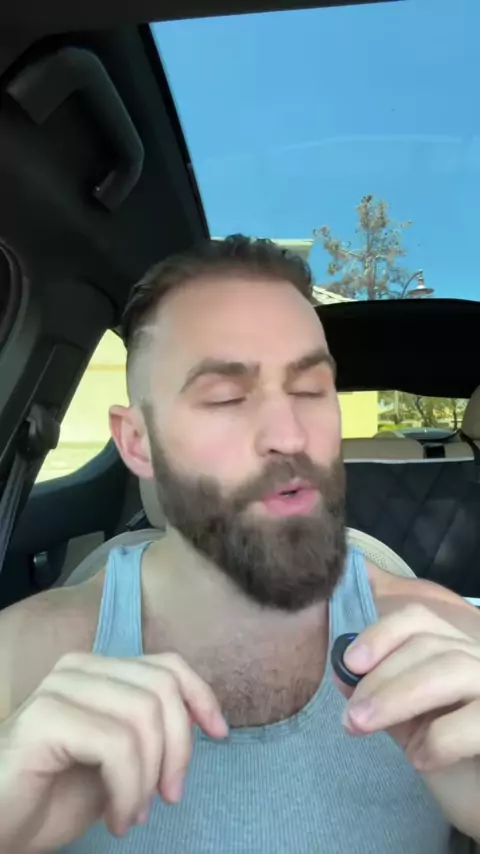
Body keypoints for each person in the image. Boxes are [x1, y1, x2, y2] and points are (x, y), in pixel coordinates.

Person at [0, 235, 479, 854]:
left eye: (311, 390)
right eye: (226, 396)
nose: (289, 435)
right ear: (137, 442)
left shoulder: (451, 643)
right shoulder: (26, 661)